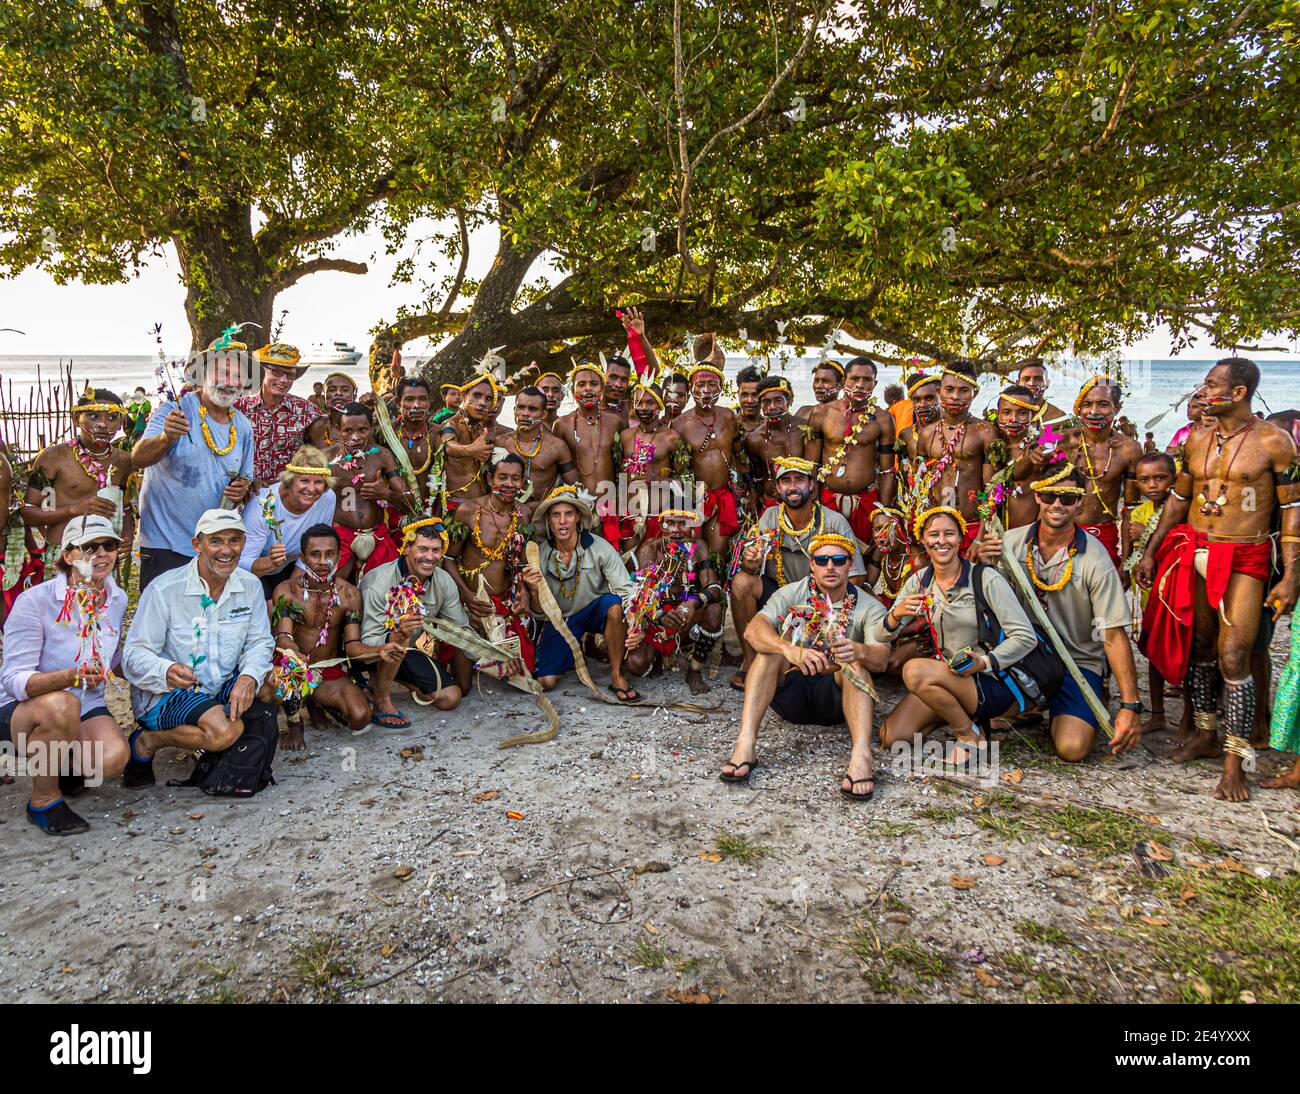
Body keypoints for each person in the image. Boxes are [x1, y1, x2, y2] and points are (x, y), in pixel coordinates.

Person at [1137, 358, 1300, 801]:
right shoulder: (1197, 439)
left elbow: (1291, 510)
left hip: (1245, 557)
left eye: (1212, 384)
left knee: (1234, 656)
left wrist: (1290, 575)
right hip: (1195, 551)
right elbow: (1178, 500)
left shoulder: (1275, 441)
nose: (1204, 390)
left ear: (1239, 392)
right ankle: (1207, 734)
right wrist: (1152, 550)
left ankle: (1236, 760)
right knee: (1201, 649)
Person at [976, 462, 1144, 761]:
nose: (1057, 505)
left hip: (1076, 662)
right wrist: (982, 566)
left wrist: (1130, 706)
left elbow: (1113, 634)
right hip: (1023, 658)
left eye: (1067, 498)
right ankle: (1028, 704)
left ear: (1080, 502)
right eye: (1050, 495)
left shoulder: (1095, 557)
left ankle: (1081, 699)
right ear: (1037, 497)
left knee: (1072, 749)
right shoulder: (1009, 544)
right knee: (974, 708)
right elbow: (986, 606)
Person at [721, 532, 888, 799]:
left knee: (857, 665)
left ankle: (861, 755)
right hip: (792, 690)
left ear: (850, 564)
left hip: (836, 700)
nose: (830, 567)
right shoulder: (793, 592)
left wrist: (860, 650)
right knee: (768, 653)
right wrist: (789, 649)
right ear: (812, 565)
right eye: (822, 560)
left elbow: (881, 660)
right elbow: (753, 631)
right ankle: (746, 743)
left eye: (838, 560)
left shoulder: (869, 606)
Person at [120, 508, 276, 788]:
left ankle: (221, 744)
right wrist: (165, 669)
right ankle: (145, 742)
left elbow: (260, 642)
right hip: (169, 692)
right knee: (224, 733)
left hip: (218, 685)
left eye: (234, 540)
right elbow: (132, 657)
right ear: (197, 545)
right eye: (216, 541)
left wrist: (248, 677)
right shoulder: (164, 589)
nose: (226, 550)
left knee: (269, 685)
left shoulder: (250, 585)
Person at [0, 515, 130, 832]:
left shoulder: (116, 597)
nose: (101, 554)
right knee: (62, 705)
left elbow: (110, 660)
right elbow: (13, 680)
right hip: (25, 709)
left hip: (85, 703)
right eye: (89, 547)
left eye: (109, 545)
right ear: (69, 555)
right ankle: (44, 800)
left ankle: (59, 765)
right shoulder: (35, 601)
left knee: (112, 759)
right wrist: (70, 677)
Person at [876, 507, 1037, 761]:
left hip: (990, 678)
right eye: (934, 535)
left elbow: (1025, 636)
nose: (942, 541)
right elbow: (881, 635)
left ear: (961, 538)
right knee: (892, 737)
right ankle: (957, 713)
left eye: (949, 534)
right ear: (924, 541)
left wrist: (984, 661)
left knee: (913, 670)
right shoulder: (919, 582)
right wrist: (895, 616)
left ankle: (969, 735)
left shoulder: (984, 579)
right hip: (947, 678)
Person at [729, 457, 867, 689]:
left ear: (812, 485)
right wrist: (751, 561)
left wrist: (822, 608)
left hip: (821, 600)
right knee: (742, 582)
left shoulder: (833, 521)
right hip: (779, 595)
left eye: (799, 480)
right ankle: (749, 660)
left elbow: (856, 578)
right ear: (778, 488)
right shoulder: (770, 517)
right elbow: (752, 570)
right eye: (786, 481)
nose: (792, 486)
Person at [132, 337, 255, 590]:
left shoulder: (242, 425)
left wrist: (241, 489)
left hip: (213, 543)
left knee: (204, 617)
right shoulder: (173, 410)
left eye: (237, 376)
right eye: (222, 372)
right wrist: (167, 437)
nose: (229, 382)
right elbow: (138, 458)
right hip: (165, 541)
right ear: (202, 375)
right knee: (158, 618)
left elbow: (245, 478)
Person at [519, 485, 638, 700]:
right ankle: (571, 654)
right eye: (556, 515)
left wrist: (635, 623)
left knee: (613, 603)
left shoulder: (600, 548)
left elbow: (626, 592)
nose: (562, 521)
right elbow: (538, 614)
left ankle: (617, 675)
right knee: (545, 682)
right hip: (560, 620)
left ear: (578, 519)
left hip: (594, 611)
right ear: (548, 520)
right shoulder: (540, 554)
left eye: (568, 514)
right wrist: (535, 591)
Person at [267, 524, 376, 748]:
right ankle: (295, 724)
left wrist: (383, 650)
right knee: (290, 670)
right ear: (303, 558)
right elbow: (283, 637)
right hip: (294, 667)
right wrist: (296, 654)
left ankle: (317, 702)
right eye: (315, 554)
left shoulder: (349, 594)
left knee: (360, 716)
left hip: (329, 669)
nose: (323, 561)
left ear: (338, 556)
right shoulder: (286, 591)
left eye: (330, 554)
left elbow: (353, 644)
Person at [360, 517, 469, 727]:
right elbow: (367, 642)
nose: (430, 557)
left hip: (406, 650)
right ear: (406, 548)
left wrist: (492, 659)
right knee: (398, 637)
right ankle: (381, 697)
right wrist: (396, 636)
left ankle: (401, 679)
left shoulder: (443, 580)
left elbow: (460, 630)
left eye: (436, 550)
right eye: (422, 549)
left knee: (451, 697)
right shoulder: (379, 584)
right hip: (369, 651)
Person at [22, 386, 134, 579]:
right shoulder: (54, 458)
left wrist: (127, 534)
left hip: (104, 557)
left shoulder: (124, 461)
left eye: (112, 418)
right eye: (93, 416)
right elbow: (28, 513)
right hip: (62, 555)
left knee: (104, 607)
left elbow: (124, 508)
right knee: (60, 608)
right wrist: (76, 509)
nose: (103, 424)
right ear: (76, 420)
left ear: (121, 422)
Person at [444, 452, 535, 672]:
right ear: (489, 479)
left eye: (515, 479)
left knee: (522, 672)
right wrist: (467, 595)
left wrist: (523, 591)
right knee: (463, 684)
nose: (509, 484)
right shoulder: (469, 511)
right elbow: (448, 558)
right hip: (470, 603)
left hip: (504, 605)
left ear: (523, 483)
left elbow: (521, 561)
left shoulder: (523, 515)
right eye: (502, 477)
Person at [623, 509, 724, 695]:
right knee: (636, 666)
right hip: (656, 619)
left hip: (687, 616)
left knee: (714, 610)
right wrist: (660, 615)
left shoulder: (698, 547)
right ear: (661, 525)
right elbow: (637, 595)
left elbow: (714, 589)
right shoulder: (649, 549)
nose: (676, 530)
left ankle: (694, 670)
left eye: (683, 523)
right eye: (670, 523)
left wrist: (693, 603)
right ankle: (659, 657)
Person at [807, 356, 896, 549]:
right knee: (828, 553)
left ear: (875, 383)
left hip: (866, 501)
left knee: (861, 557)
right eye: (854, 379)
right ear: (843, 382)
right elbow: (812, 463)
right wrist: (810, 499)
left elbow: (888, 471)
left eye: (867, 380)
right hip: (828, 499)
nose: (860, 385)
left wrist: (885, 511)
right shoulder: (822, 413)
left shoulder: (883, 418)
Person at [912, 361, 995, 552]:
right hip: (935, 526)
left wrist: (980, 538)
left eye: (964, 390)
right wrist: (922, 527)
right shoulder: (926, 433)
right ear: (939, 390)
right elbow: (920, 487)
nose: (955, 396)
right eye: (949, 389)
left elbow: (990, 491)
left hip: (972, 526)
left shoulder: (985, 432)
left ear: (975, 393)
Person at [326, 402, 413, 580]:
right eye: (348, 430)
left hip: (377, 535)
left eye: (362, 430)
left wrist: (386, 494)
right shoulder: (326, 457)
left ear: (371, 428)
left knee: (388, 592)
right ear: (337, 429)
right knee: (332, 590)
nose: (355, 437)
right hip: (340, 535)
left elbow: (410, 504)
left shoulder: (383, 456)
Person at [1063, 375, 1142, 570]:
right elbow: (1027, 458)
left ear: (1117, 408)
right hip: (1060, 532)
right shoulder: (1063, 441)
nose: (1093, 411)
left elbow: (1130, 509)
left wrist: (1126, 561)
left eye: (1103, 404)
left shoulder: (1129, 449)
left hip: (1103, 535)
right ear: (1079, 408)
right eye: (1087, 404)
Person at [240, 445, 337, 598]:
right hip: (255, 571)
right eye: (304, 481)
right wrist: (270, 562)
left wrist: (291, 591)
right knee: (271, 609)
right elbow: (241, 564)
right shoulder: (264, 504)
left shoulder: (327, 498)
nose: (311, 489)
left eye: (318, 482)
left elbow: (317, 545)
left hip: (294, 567)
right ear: (291, 480)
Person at [672, 354, 742, 554]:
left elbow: (738, 456)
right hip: (691, 500)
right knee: (692, 554)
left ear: (721, 388)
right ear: (691, 389)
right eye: (700, 384)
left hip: (722, 497)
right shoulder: (679, 424)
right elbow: (677, 470)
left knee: (718, 553)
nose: (706, 390)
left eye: (712, 384)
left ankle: (717, 586)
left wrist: (745, 488)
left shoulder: (729, 417)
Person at [1128, 452, 1177, 732]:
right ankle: (1157, 713)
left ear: (1174, 479)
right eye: (1145, 480)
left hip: (1174, 590)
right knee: (1153, 651)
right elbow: (1134, 554)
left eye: (1160, 478)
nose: (1153, 485)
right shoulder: (1137, 512)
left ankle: (1193, 717)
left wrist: (1145, 530)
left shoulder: (1182, 508)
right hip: (1149, 594)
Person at [234, 343, 321, 488]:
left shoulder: (306, 410)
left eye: (290, 375)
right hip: (246, 492)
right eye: (276, 372)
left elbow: (324, 449)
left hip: (290, 493)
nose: (283, 380)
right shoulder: (239, 408)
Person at [555, 364, 623, 545]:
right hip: (578, 505)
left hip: (611, 503)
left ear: (602, 388)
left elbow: (623, 463)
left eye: (593, 384)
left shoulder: (615, 421)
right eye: (581, 384)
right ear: (572, 389)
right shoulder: (562, 425)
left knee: (612, 558)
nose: (587, 389)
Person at [617, 382, 686, 549]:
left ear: (660, 404)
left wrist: (656, 479)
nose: (643, 407)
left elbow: (685, 482)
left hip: (660, 515)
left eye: (649, 402)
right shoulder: (625, 436)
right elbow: (618, 475)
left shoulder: (671, 437)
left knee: (657, 570)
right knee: (630, 568)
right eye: (638, 402)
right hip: (629, 516)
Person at [986, 384, 1049, 529]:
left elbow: (1048, 498)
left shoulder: (1041, 450)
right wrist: (980, 538)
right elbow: (987, 496)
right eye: (1007, 412)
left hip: (1031, 533)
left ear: (1032, 415)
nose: (1013, 419)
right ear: (998, 414)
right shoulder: (994, 448)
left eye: (1022, 413)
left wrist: (1037, 534)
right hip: (997, 534)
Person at [500, 386, 576, 506]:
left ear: (544, 414)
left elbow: (574, 487)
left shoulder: (557, 447)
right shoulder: (502, 442)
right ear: (515, 410)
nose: (525, 413)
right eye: (521, 407)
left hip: (541, 513)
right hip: (505, 513)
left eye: (532, 409)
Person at [743, 376, 804, 513]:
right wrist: (754, 501)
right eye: (766, 402)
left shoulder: (804, 429)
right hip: (771, 503)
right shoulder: (755, 439)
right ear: (760, 405)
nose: (772, 407)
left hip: (804, 502)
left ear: (788, 401)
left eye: (778, 400)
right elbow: (757, 477)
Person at [391, 376, 444, 509]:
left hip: (432, 509)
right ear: (398, 402)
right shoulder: (387, 432)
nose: (416, 405)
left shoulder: (439, 433)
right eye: (409, 399)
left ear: (430, 401)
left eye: (422, 399)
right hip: (395, 509)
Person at [305, 372, 360, 449]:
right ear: (324, 396)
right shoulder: (317, 426)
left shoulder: (364, 424)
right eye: (332, 390)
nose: (338, 393)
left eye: (345, 390)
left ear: (354, 397)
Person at [794, 360, 844, 426]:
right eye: (816, 380)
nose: (818, 386)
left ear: (840, 385)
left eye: (825, 381)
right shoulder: (804, 412)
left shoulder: (845, 415)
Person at [734, 365, 765, 437]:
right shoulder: (728, 425)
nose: (750, 401)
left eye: (755, 394)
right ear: (738, 393)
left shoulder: (770, 428)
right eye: (745, 394)